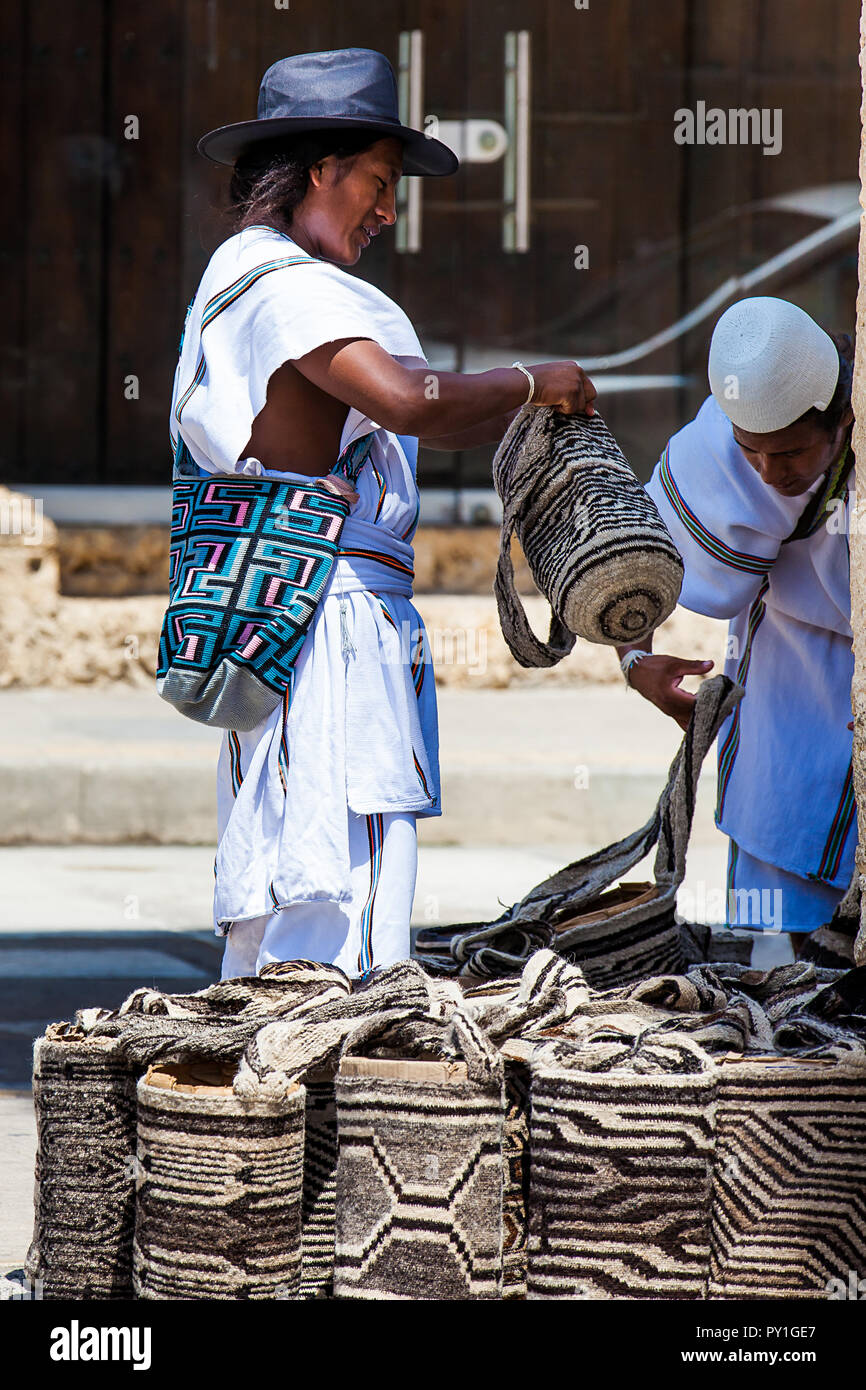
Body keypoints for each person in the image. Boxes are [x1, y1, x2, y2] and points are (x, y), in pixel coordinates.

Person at [170, 48, 596, 980]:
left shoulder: (257, 275)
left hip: (301, 617)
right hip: (329, 629)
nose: (388, 209)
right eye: (377, 179)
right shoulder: (279, 283)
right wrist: (536, 382)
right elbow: (413, 404)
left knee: (290, 885)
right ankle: (328, 1107)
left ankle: (271, 1105)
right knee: (340, 900)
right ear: (320, 169)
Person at [617, 296, 855, 947]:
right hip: (786, 737)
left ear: (839, 423)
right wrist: (635, 659)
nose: (771, 472)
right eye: (754, 454)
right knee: (773, 982)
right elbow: (642, 552)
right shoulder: (722, 450)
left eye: (794, 454)